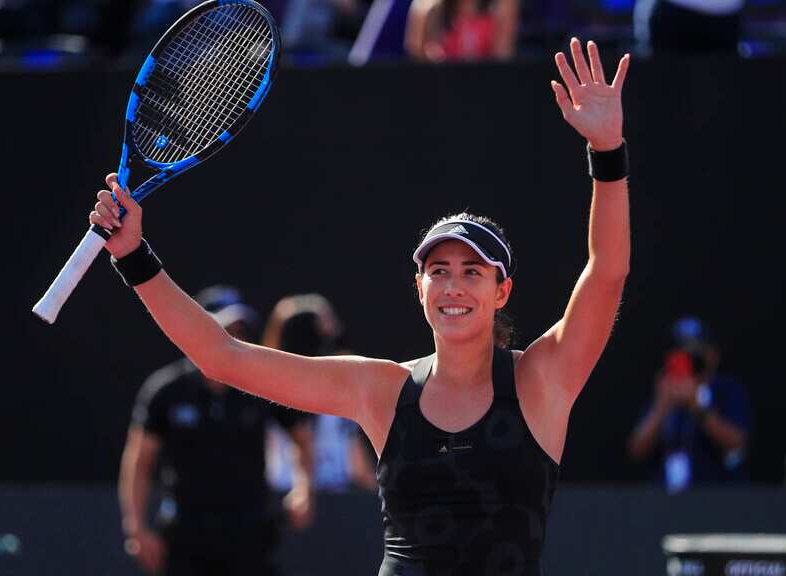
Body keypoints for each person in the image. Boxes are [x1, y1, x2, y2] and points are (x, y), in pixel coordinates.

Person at [93, 37, 630, 574]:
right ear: (419, 288)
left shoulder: (542, 379)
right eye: (438, 272)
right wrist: (133, 257)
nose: (454, 287)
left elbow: (607, 271)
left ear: (501, 291)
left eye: (473, 272)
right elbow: (221, 356)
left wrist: (607, 151)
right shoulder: (381, 390)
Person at [117, 285, 315, 576]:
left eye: (238, 330)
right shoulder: (166, 391)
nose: (232, 338)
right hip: (186, 534)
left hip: (250, 532)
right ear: (198, 329)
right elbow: (139, 461)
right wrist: (136, 528)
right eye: (223, 328)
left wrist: (304, 487)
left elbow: (301, 436)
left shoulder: (261, 385)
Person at [262, 293, 378, 492]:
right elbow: (301, 442)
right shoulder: (273, 387)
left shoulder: (345, 386)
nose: (333, 347)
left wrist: (378, 493)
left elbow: (357, 458)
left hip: (335, 494)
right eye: (323, 338)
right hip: (288, 497)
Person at [627, 315, 750, 492]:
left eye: (695, 351)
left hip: (715, 499)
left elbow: (738, 444)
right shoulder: (664, 389)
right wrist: (662, 406)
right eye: (680, 350)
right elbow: (636, 450)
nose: (688, 358)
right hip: (664, 500)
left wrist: (697, 405)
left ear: (711, 355)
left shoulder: (727, 391)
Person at [404, 0, 519, 62]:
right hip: (441, 93)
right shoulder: (426, 8)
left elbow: (501, 61)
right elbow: (418, 62)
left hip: (485, 92)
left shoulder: (501, 7)